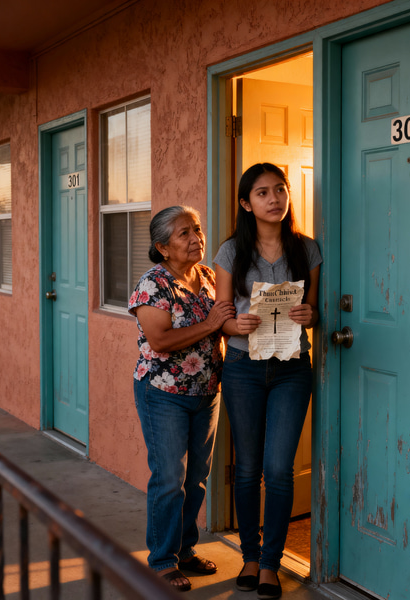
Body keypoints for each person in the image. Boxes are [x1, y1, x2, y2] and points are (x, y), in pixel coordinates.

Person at [213, 163, 321, 599]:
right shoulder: (229, 253)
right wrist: (233, 327)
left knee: (278, 469)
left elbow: (314, 312)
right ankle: (250, 556)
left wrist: (311, 315)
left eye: (280, 190)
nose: (274, 199)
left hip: (292, 368)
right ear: (246, 203)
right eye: (262, 193)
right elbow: (221, 318)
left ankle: (271, 564)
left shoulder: (307, 250)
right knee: (247, 468)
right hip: (243, 368)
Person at [128, 205, 235, 592]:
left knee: (197, 477)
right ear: (163, 247)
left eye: (197, 229)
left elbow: (228, 319)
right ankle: (161, 561)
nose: (196, 239)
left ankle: (186, 549)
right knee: (170, 478)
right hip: (163, 393)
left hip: (206, 391)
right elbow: (159, 341)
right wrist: (209, 324)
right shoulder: (152, 284)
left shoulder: (207, 276)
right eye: (184, 234)